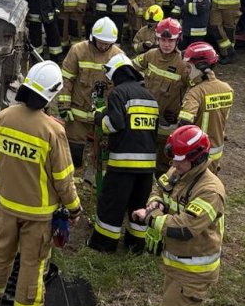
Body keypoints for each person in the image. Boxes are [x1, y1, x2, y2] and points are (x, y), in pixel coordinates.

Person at [0, 61, 82, 306]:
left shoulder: (3, 117)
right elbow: (64, 180)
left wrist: (0, 189)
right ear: (52, 93)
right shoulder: (52, 131)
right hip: (39, 214)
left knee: (0, 252)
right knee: (33, 263)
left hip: (7, 206)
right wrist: (74, 209)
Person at [132, 125, 225, 306]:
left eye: (180, 161)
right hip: (176, 266)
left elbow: (184, 229)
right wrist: (154, 205)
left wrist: (149, 218)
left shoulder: (210, 190)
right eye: (173, 159)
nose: (174, 165)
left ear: (198, 159)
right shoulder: (180, 170)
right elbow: (159, 189)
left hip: (194, 273)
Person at [88, 53, 159, 253]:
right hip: (147, 166)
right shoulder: (150, 96)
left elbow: (115, 124)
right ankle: (135, 245)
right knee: (138, 206)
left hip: (123, 164)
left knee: (112, 205)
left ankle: (104, 244)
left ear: (117, 74)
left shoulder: (119, 93)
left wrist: (99, 117)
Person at [59, 17, 124, 171]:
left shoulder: (118, 56)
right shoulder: (78, 50)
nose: (103, 46)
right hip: (78, 111)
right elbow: (67, 79)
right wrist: (64, 105)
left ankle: (95, 179)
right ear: (92, 37)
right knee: (74, 149)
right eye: (101, 42)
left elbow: (121, 87)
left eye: (107, 44)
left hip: (103, 114)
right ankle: (74, 176)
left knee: (103, 151)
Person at [134, 18, 188, 168]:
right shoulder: (150, 55)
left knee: (164, 161)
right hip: (146, 117)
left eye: (170, 41)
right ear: (157, 39)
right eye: (163, 40)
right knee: (143, 155)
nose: (166, 44)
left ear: (178, 40)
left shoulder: (183, 64)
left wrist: (181, 114)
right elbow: (130, 68)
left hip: (167, 122)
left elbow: (193, 93)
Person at [177, 42, 232, 171]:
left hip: (196, 153)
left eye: (189, 67)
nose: (186, 70)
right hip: (216, 150)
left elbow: (185, 124)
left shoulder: (195, 92)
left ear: (201, 67)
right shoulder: (227, 89)